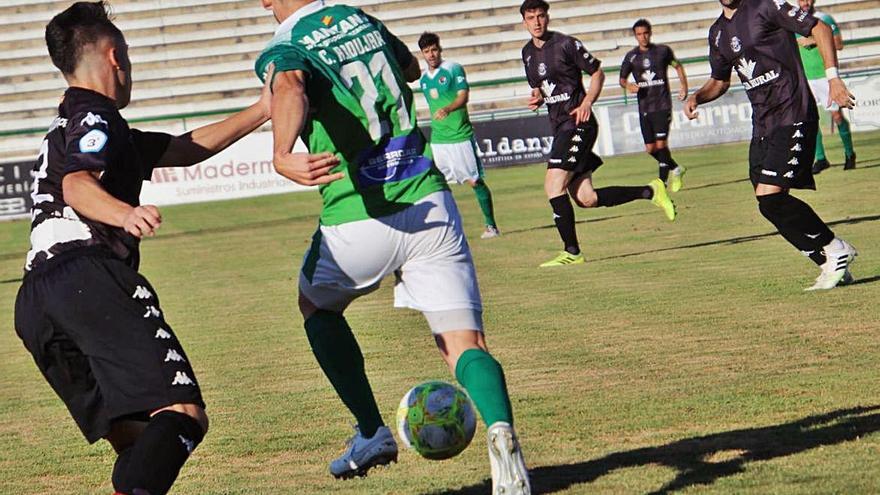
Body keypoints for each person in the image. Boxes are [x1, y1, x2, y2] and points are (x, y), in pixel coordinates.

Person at [255, 1, 530, 493]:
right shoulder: (360, 18)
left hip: (357, 215)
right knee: (465, 344)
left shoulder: (285, 46)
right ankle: (501, 434)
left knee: (315, 307)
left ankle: (371, 431)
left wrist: (281, 153)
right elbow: (405, 69)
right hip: (428, 200)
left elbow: (291, 85)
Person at [13, 2, 275, 494]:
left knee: (138, 441)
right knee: (182, 414)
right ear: (115, 57)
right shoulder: (96, 114)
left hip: (37, 300)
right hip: (86, 276)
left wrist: (262, 110)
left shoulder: (75, 121)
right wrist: (123, 213)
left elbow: (181, 149)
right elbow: (76, 186)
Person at [684, 0, 857, 290]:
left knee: (771, 196)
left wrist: (833, 78)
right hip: (763, 125)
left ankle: (835, 248)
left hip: (793, 113)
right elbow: (719, 81)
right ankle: (828, 262)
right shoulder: (717, 33)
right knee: (768, 205)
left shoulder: (765, 6)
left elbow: (819, 27)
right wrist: (696, 97)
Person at [519, 0, 676, 268]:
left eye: (541, 16)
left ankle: (572, 252)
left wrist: (587, 101)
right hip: (559, 127)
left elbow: (597, 73)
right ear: (524, 21)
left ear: (548, 17)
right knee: (586, 199)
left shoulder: (567, 44)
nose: (537, 22)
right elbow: (540, 87)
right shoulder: (527, 53)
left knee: (552, 185)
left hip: (579, 124)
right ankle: (652, 191)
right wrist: (537, 98)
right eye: (531, 17)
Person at [417, 32, 501, 239]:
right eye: (426, 51)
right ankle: (444, 228)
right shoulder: (424, 79)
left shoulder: (453, 68)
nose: (431, 54)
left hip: (460, 136)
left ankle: (491, 226)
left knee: (474, 181)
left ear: (440, 49)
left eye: (434, 49)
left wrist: (448, 108)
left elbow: (463, 96)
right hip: (438, 139)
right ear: (422, 54)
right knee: (436, 183)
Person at [619, 18, 689, 192]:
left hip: (662, 105)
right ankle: (676, 169)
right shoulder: (631, 57)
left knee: (660, 145)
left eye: (645, 33)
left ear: (650, 33)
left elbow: (678, 66)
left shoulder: (662, 52)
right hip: (644, 107)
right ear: (635, 36)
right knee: (650, 149)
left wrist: (684, 87)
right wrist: (629, 86)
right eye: (639, 34)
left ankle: (661, 183)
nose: (643, 37)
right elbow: (621, 79)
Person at [795, 0, 856, 173]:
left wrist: (814, 40)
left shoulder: (824, 18)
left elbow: (838, 44)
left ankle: (849, 153)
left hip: (825, 76)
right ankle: (820, 158)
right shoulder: (793, 21)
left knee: (836, 115)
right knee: (809, 119)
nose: (805, 2)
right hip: (806, 78)